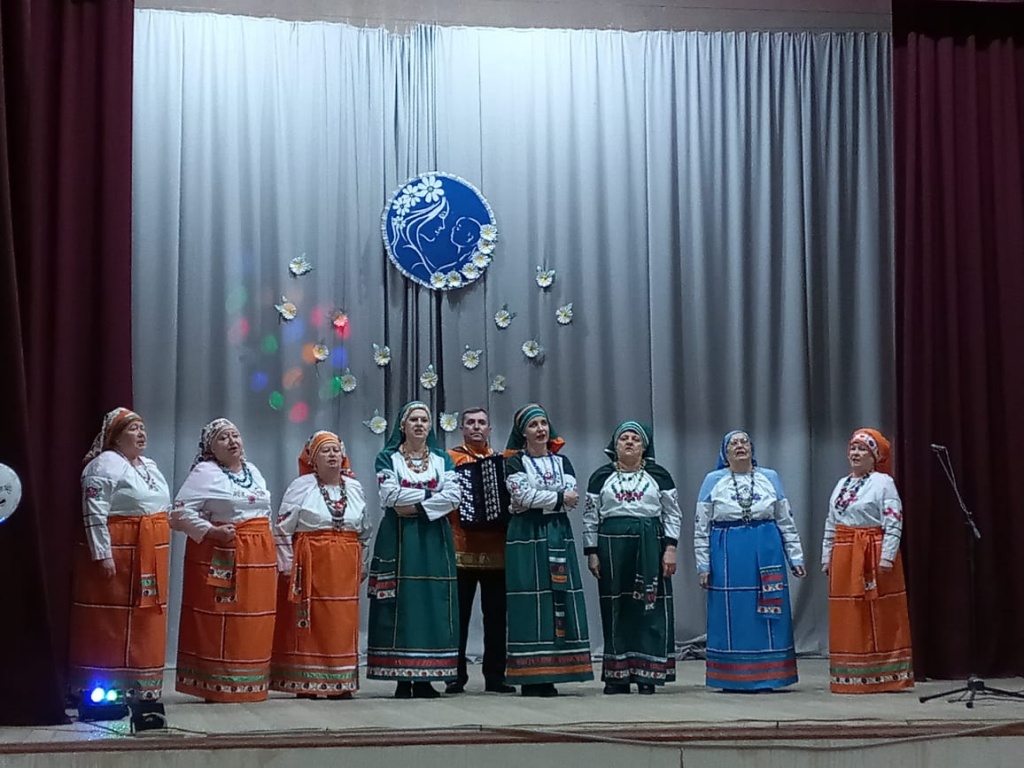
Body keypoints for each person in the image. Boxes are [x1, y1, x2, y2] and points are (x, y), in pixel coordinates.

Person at [170, 419, 276, 702]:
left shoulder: (252, 471)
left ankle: (250, 684)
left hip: (259, 555)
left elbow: (264, 512)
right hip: (224, 553)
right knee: (223, 619)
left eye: (235, 435)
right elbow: (178, 514)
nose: (232, 441)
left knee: (255, 618)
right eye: (223, 438)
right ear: (211, 447)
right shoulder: (205, 472)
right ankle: (216, 685)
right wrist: (211, 531)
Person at [69, 408, 171, 700]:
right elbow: (94, 512)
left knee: (145, 616)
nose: (141, 434)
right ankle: (104, 684)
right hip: (120, 549)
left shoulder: (148, 465)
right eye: (133, 429)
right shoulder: (103, 466)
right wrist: (103, 554)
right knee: (111, 618)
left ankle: (142, 684)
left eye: (143, 428)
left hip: (150, 550)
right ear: (115, 437)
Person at [694, 430, 806, 691]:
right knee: (732, 611)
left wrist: (795, 556)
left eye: (744, 441)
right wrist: (703, 564)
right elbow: (701, 526)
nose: (740, 446)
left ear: (752, 448)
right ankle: (731, 676)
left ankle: (771, 675)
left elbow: (785, 519)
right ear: (725, 453)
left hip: (765, 546)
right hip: (727, 551)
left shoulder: (770, 477)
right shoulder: (713, 480)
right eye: (733, 443)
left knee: (768, 610)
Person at [366, 401, 461, 699]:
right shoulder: (388, 458)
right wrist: (434, 496)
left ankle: (426, 677)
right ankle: (400, 677)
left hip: (434, 539)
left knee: (432, 600)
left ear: (430, 426)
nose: (419, 424)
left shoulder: (443, 459)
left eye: (424, 420)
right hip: (398, 537)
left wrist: (416, 506)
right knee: (401, 602)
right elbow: (390, 496)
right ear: (402, 426)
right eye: (413, 420)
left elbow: (454, 497)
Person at [271, 431, 371, 699]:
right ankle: (307, 681)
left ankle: (340, 682)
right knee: (311, 620)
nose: (332, 455)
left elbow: (364, 530)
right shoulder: (301, 486)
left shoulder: (354, 487)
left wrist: (362, 564)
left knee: (342, 622)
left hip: (345, 562)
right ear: (313, 460)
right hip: (311, 560)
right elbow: (282, 529)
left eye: (335, 450)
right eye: (325, 451)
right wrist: (287, 566)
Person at [584, 421, 681, 695]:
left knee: (649, 607)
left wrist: (670, 548)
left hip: (649, 542)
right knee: (616, 607)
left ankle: (647, 674)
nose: (629, 442)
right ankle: (617, 676)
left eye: (635, 439)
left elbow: (672, 513)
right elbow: (590, 516)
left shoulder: (659, 476)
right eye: (623, 438)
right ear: (614, 446)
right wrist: (592, 551)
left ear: (644, 447)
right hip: (612, 545)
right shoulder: (601, 477)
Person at [504, 403, 593, 697]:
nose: (540, 429)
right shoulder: (515, 462)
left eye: (543, 423)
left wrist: (541, 499)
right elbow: (522, 496)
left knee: (559, 596)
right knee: (530, 598)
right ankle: (531, 675)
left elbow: (572, 497)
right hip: (526, 534)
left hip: (557, 532)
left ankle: (556, 671)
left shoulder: (562, 462)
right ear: (523, 432)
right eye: (533, 425)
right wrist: (555, 498)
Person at [822, 428, 914, 693]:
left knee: (877, 612)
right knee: (848, 612)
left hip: (872, 551)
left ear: (874, 456)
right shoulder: (842, 484)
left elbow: (893, 520)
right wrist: (827, 555)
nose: (855, 453)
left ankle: (883, 674)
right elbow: (831, 521)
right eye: (853, 448)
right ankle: (848, 674)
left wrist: (887, 556)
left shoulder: (883, 483)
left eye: (862, 449)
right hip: (844, 552)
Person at [444, 407, 515, 694]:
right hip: (460, 548)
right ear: (461, 428)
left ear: (490, 429)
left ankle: (496, 676)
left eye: (482, 422)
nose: (476, 427)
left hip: (497, 550)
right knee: (457, 617)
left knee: (497, 618)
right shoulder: (449, 459)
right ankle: (455, 675)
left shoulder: (504, 461)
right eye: (471, 422)